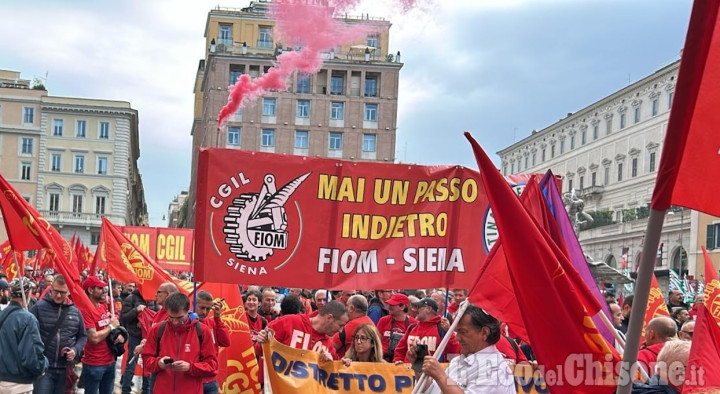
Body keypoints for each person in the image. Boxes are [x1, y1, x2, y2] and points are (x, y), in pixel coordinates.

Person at [417, 305, 515, 394]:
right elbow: (433, 391)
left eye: (463, 332)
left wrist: (440, 376)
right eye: (457, 332)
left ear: (484, 332)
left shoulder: (496, 370)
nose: (457, 338)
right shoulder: (458, 361)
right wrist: (418, 365)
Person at [142, 293, 218, 394]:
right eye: (171, 317)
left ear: (188, 311)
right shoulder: (158, 329)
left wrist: (190, 367)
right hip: (162, 389)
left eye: (179, 318)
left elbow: (211, 364)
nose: (175, 322)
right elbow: (147, 359)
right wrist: (159, 363)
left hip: (191, 390)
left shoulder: (203, 331)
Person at [30, 275, 87, 394]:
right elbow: (28, 333)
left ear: (68, 293)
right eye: (56, 291)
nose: (58, 295)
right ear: (51, 289)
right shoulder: (39, 308)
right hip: (44, 369)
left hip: (65, 369)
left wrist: (75, 350)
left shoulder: (75, 312)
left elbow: (82, 336)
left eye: (62, 292)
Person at [257, 300, 349, 361]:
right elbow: (259, 350)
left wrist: (336, 363)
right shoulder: (289, 322)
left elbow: (335, 370)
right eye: (341, 325)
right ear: (329, 318)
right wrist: (262, 341)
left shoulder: (328, 345)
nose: (341, 331)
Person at [0, 278, 48, 394]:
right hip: (18, 384)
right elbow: (32, 356)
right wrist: (43, 364)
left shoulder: (2, 314)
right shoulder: (27, 319)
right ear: (27, 293)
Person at [81, 276, 124, 394]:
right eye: (100, 288)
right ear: (90, 290)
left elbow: (109, 329)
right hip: (94, 364)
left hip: (110, 361)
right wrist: (111, 327)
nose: (104, 290)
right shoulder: (85, 310)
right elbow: (93, 338)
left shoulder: (103, 306)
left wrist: (118, 335)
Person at [393, 298, 461, 363]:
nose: (415, 310)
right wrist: (398, 361)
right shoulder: (412, 327)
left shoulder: (442, 328)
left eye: (418, 307)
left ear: (428, 309)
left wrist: (449, 332)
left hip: (431, 372)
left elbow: (454, 350)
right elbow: (400, 349)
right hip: (408, 372)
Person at [195, 291, 230, 394]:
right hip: (194, 380)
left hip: (211, 380)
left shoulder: (212, 322)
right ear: (193, 305)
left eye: (208, 309)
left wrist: (217, 318)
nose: (205, 312)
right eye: (202, 308)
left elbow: (226, 342)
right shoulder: (186, 323)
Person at [120, 284, 151, 394]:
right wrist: (136, 311)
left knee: (148, 366)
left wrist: (145, 321)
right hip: (135, 336)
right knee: (131, 364)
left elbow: (157, 316)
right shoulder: (131, 298)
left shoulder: (153, 299)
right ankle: (125, 390)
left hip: (148, 337)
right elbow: (124, 317)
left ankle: (146, 391)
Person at [376, 293, 417, 362]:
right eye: (389, 304)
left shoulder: (414, 324)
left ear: (402, 307)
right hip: (383, 361)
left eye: (392, 305)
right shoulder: (383, 320)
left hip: (403, 363)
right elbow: (376, 341)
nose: (389, 307)